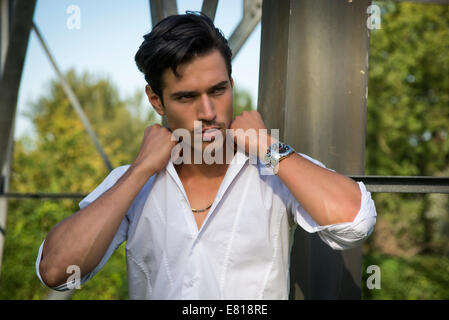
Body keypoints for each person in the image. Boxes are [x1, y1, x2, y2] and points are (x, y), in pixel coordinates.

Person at [36, 12, 377, 299]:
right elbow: (57, 271)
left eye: (218, 90)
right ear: (156, 101)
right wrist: (141, 169)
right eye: (186, 97)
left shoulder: (272, 167)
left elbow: (355, 222)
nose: (208, 111)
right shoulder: (132, 181)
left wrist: (268, 147)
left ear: (231, 82)